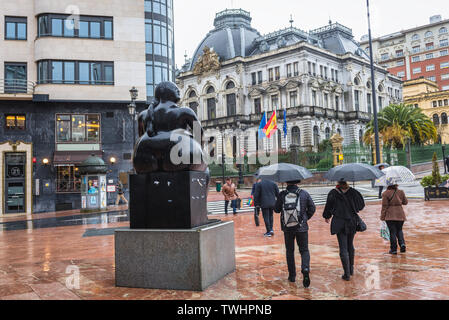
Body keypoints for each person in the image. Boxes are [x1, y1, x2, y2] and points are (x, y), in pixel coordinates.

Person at [275, 180, 316, 287]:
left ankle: (292, 276)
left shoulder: (282, 194)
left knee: (290, 251)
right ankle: (305, 268)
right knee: (304, 250)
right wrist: (305, 218)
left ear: (287, 182)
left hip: (287, 228)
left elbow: (276, 210)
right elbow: (312, 208)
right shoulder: (304, 193)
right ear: (297, 182)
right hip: (302, 227)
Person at [323, 180, 365, 281]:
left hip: (339, 221)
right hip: (352, 221)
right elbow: (361, 206)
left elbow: (328, 207)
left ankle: (346, 274)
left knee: (343, 247)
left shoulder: (333, 193)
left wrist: (327, 216)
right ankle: (351, 269)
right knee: (350, 244)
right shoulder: (354, 192)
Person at [380, 179, 408, 254]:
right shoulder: (401, 192)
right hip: (400, 215)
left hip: (390, 216)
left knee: (392, 232)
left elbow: (384, 206)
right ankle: (402, 244)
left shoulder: (385, 193)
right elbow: (405, 202)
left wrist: (382, 217)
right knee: (399, 230)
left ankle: (394, 249)